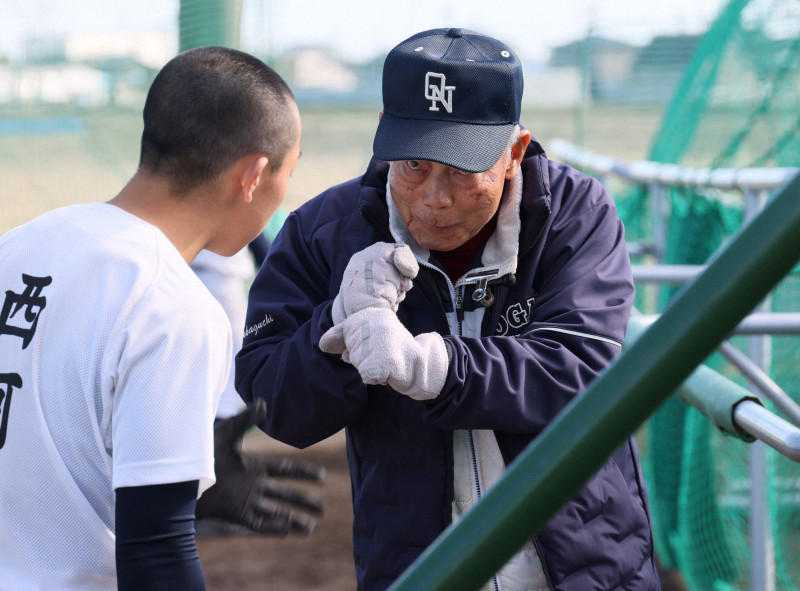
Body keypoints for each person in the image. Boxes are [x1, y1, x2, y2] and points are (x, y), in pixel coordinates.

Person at [236, 27, 660, 591]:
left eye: (462, 171)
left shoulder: (573, 213)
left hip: (584, 568)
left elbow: (582, 373)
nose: (434, 197)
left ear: (513, 152)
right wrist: (338, 326)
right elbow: (272, 400)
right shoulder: (325, 231)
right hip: (419, 570)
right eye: (412, 165)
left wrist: (434, 368)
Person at [0, 46, 300, 590]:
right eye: (287, 173)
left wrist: (177, 478)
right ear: (253, 176)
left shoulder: (15, 246)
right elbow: (156, 553)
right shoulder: (172, 305)